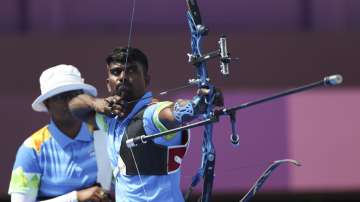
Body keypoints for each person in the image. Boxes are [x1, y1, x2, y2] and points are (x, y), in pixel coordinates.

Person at [69, 47, 223, 202]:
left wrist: (197, 105)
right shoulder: (110, 119)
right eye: (116, 72)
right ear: (108, 83)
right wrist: (96, 103)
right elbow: (74, 105)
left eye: (131, 71)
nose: (122, 77)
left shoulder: (152, 114)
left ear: (146, 80)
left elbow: (174, 112)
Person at [8, 64, 110, 202]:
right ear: (47, 104)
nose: (71, 102)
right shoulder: (32, 149)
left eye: (75, 95)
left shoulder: (103, 136)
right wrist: (75, 198)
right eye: (61, 96)